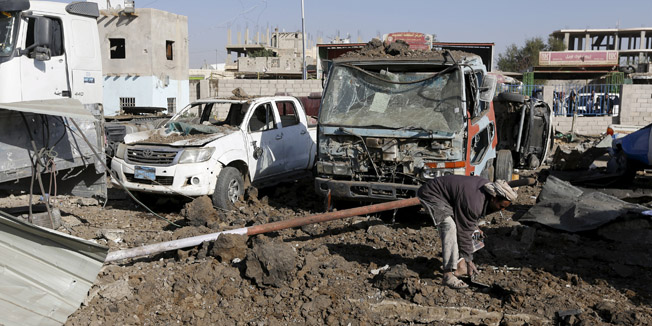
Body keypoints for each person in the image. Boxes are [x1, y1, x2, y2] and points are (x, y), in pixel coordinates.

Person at [417, 175, 518, 289]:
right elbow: (464, 232)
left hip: (452, 199)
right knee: (449, 227)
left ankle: (461, 264)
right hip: (432, 194)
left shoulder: (487, 194)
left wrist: (474, 233)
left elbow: (471, 220)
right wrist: (469, 260)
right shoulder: (475, 203)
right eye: (501, 206)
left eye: (505, 208)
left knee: (477, 234)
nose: (502, 210)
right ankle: (448, 274)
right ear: (494, 198)